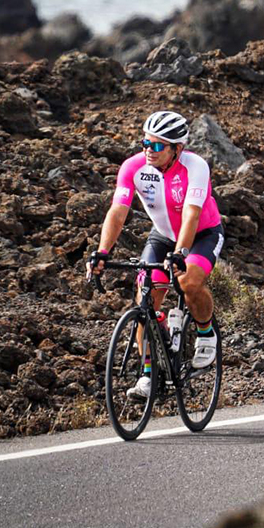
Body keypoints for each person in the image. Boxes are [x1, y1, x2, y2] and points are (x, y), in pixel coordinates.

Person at [87, 111, 225, 399]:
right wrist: (102, 252)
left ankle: (205, 332)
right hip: (162, 235)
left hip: (202, 233)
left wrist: (181, 253)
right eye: (146, 143)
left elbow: (191, 214)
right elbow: (118, 212)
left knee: (188, 282)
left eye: (158, 146)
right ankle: (149, 374)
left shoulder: (195, 167)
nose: (149, 150)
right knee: (145, 300)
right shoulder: (133, 167)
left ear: (177, 149)